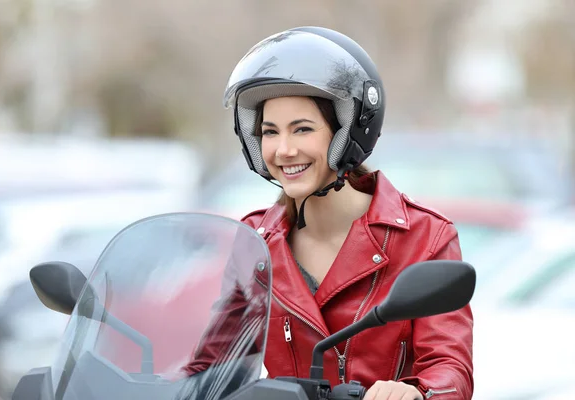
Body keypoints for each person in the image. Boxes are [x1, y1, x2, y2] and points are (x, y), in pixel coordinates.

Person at [189, 26, 474, 400]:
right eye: (270, 132)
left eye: (302, 129)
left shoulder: (424, 236)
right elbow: (211, 368)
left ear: (347, 131)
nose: (283, 149)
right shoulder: (255, 241)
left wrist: (415, 393)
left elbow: (451, 369)